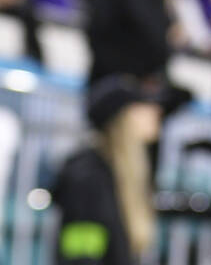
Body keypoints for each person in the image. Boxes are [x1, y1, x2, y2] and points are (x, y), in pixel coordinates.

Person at [53, 76, 163, 265]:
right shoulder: (88, 177)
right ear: (123, 117)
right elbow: (81, 257)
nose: (155, 112)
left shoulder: (117, 174)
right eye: (143, 106)